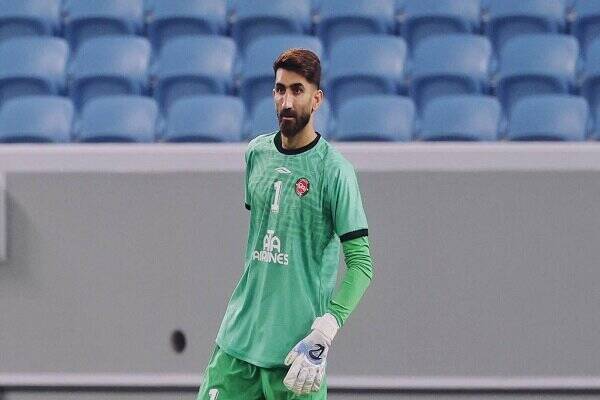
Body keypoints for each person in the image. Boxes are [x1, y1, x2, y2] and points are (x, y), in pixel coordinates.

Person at [196, 48, 374, 399]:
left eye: (297, 90)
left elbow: (362, 265)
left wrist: (326, 330)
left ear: (316, 99)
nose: (287, 101)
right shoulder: (257, 154)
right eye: (280, 90)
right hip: (238, 344)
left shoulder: (335, 171)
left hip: (299, 357)